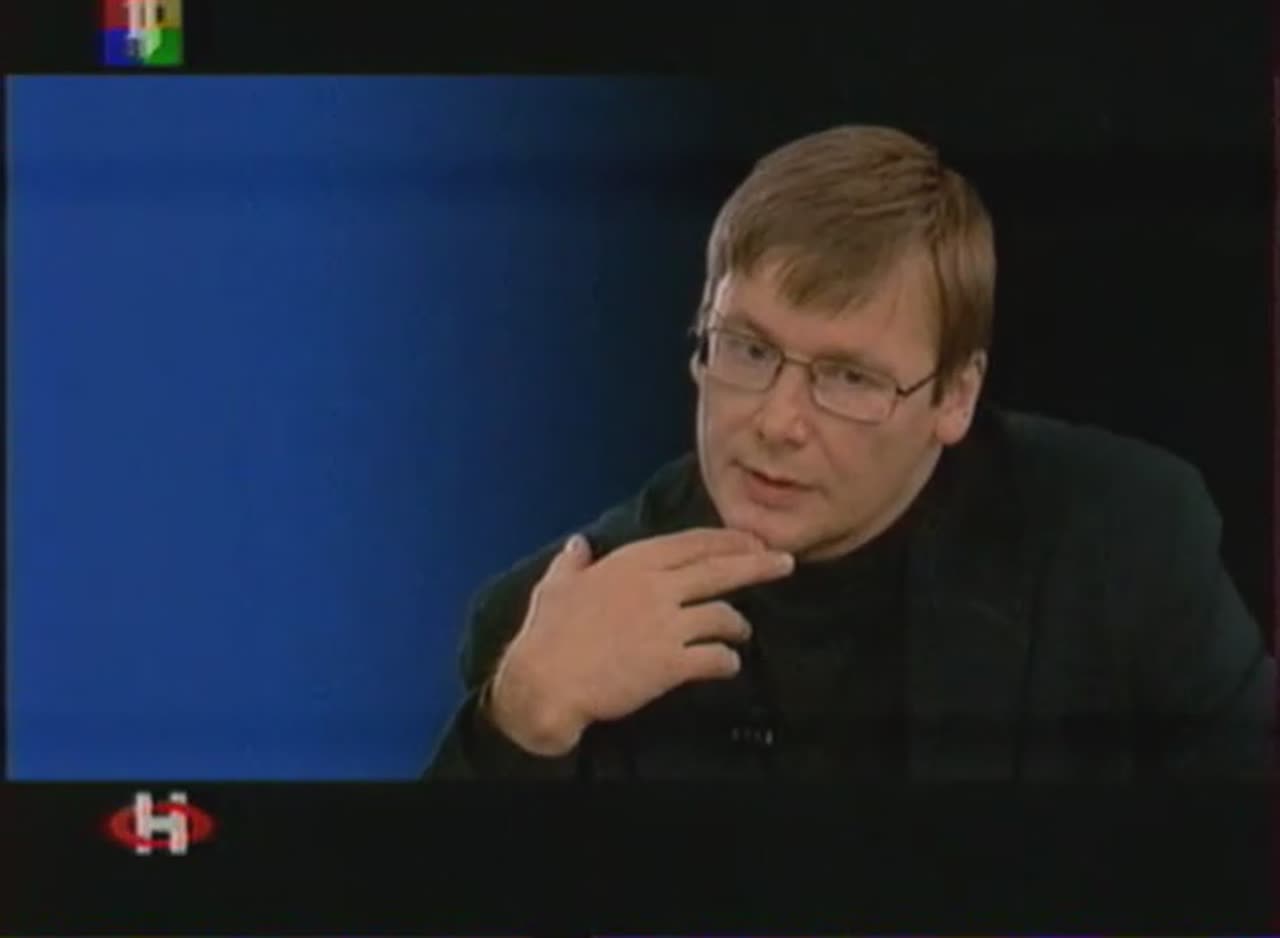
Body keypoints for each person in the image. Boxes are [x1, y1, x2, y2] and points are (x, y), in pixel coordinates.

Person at [424, 125, 1275, 781]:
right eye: (748, 349)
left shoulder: (1124, 543)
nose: (778, 421)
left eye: (848, 377)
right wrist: (520, 721)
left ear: (955, 397)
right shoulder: (545, 624)